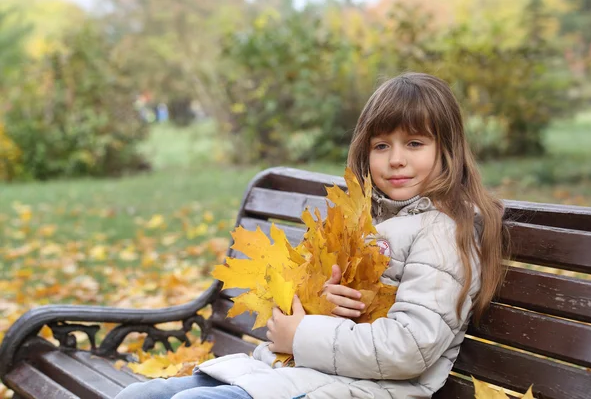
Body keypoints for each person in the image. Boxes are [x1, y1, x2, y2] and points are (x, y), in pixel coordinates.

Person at [114, 72, 507, 399]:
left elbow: (409, 348)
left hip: (361, 390)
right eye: (382, 145)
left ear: (448, 150)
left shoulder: (442, 232)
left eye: (415, 143)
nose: (396, 159)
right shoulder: (365, 220)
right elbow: (322, 304)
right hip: (305, 373)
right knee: (136, 396)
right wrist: (321, 303)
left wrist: (303, 333)